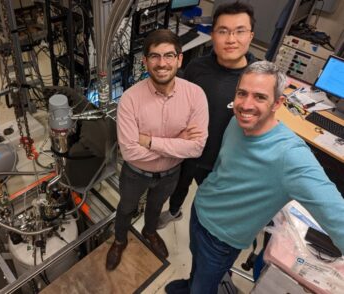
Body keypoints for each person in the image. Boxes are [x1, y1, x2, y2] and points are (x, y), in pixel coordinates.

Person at [165, 60, 344, 294]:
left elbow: (336, 213)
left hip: (222, 239)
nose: (246, 105)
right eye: (242, 93)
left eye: (259, 97)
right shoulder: (236, 122)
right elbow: (223, 167)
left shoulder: (291, 156)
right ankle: (190, 283)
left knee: (204, 287)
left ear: (277, 103)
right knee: (196, 266)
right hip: (200, 211)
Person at [106, 29, 209, 271]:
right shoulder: (130, 99)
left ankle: (150, 232)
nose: (162, 63)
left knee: (155, 207)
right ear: (145, 61)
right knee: (126, 207)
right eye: (154, 56)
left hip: (170, 175)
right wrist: (177, 142)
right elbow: (130, 152)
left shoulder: (195, 95)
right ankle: (120, 239)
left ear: (179, 59)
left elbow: (196, 147)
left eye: (168, 55)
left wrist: (150, 141)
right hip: (134, 173)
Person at [158, 1, 257, 228]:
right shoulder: (197, 68)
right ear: (212, 34)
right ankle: (174, 211)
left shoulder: (258, 79)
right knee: (180, 185)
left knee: (211, 203)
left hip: (222, 161)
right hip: (189, 150)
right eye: (223, 31)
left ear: (251, 35)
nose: (231, 39)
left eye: (239, 31)